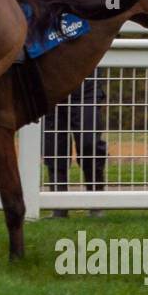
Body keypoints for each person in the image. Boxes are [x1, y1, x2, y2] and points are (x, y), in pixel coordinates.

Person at [44, 70, 109, 218]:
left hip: (86, 86)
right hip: (50, 85)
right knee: (54, 146)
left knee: (90, 144)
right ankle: (58, 207)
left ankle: (95, 202)